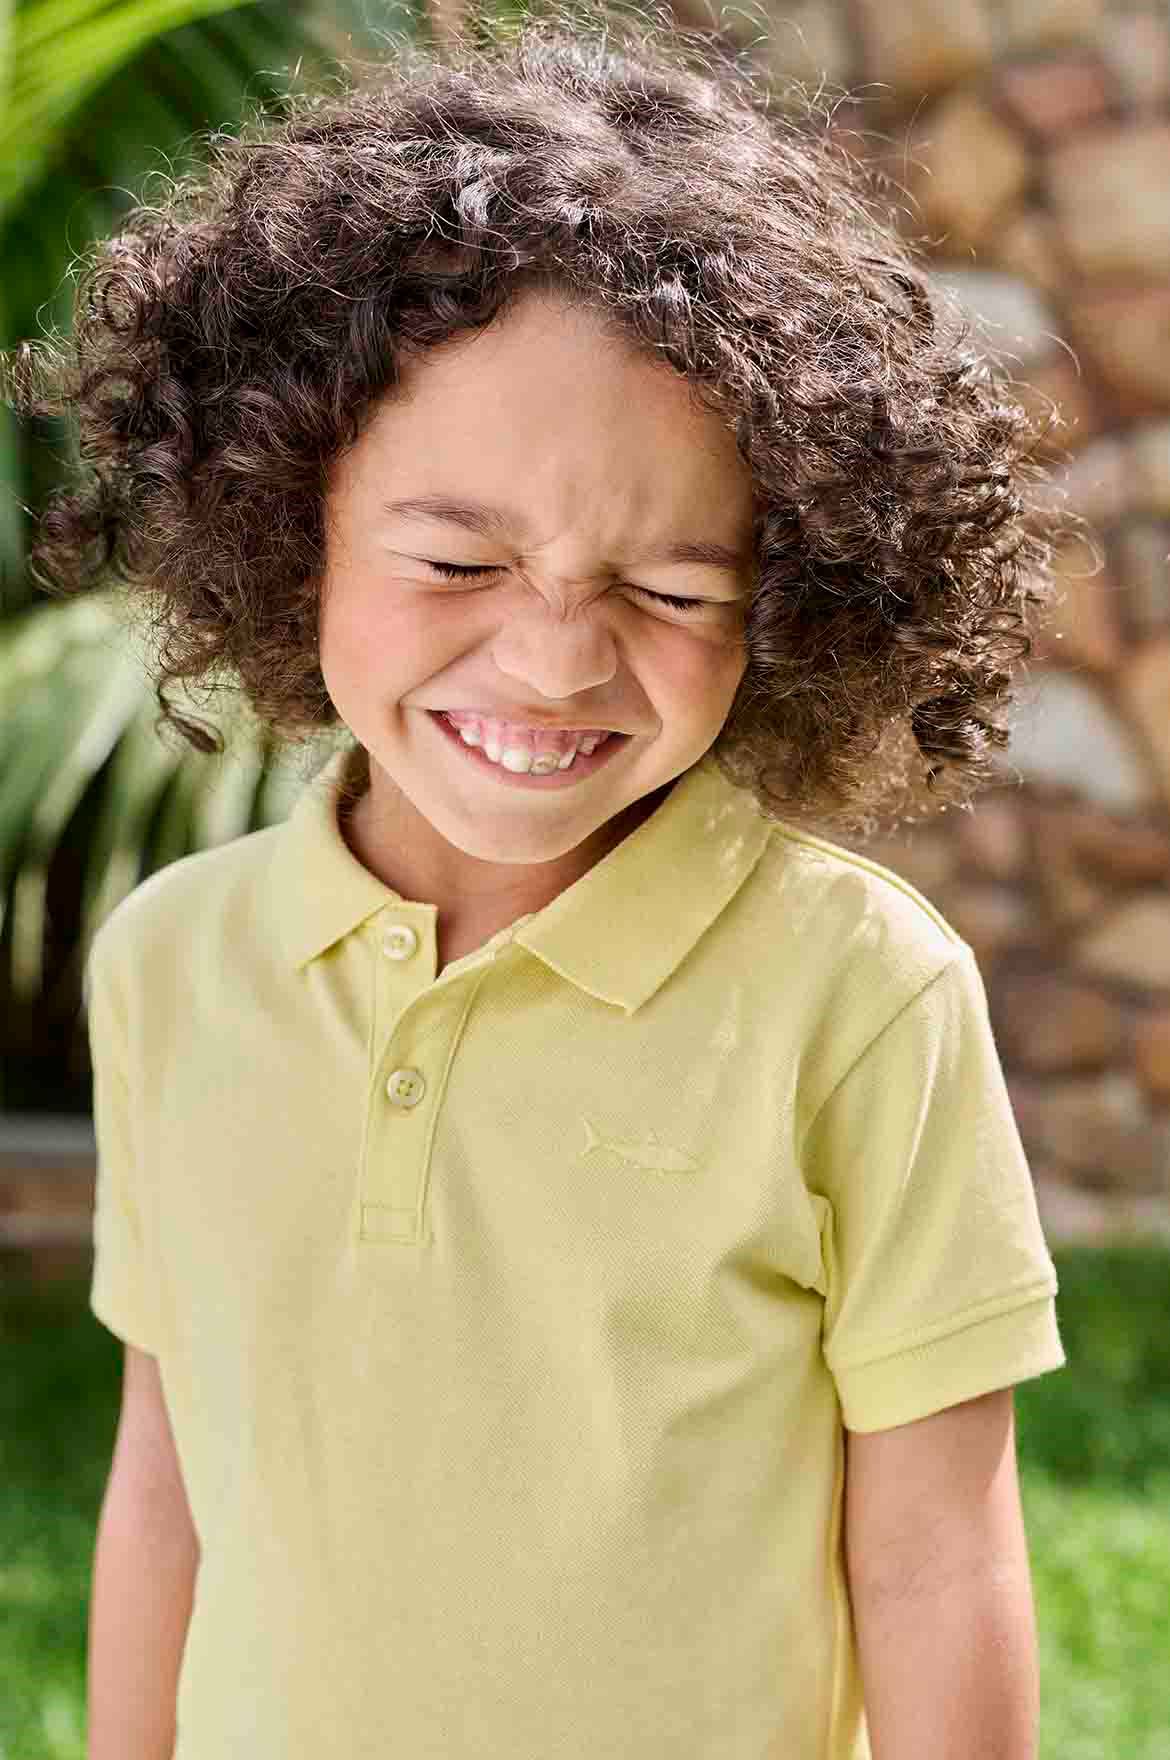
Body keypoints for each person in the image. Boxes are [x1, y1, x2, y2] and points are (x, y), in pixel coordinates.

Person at [5, 5, 1076, 1756]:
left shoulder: (861, 995)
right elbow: (168, 1478)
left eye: (666, 589)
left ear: (784, 606)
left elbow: (941, 1562)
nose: (556, 659)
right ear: (288, 519)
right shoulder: (170, 964)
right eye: (457, 556)